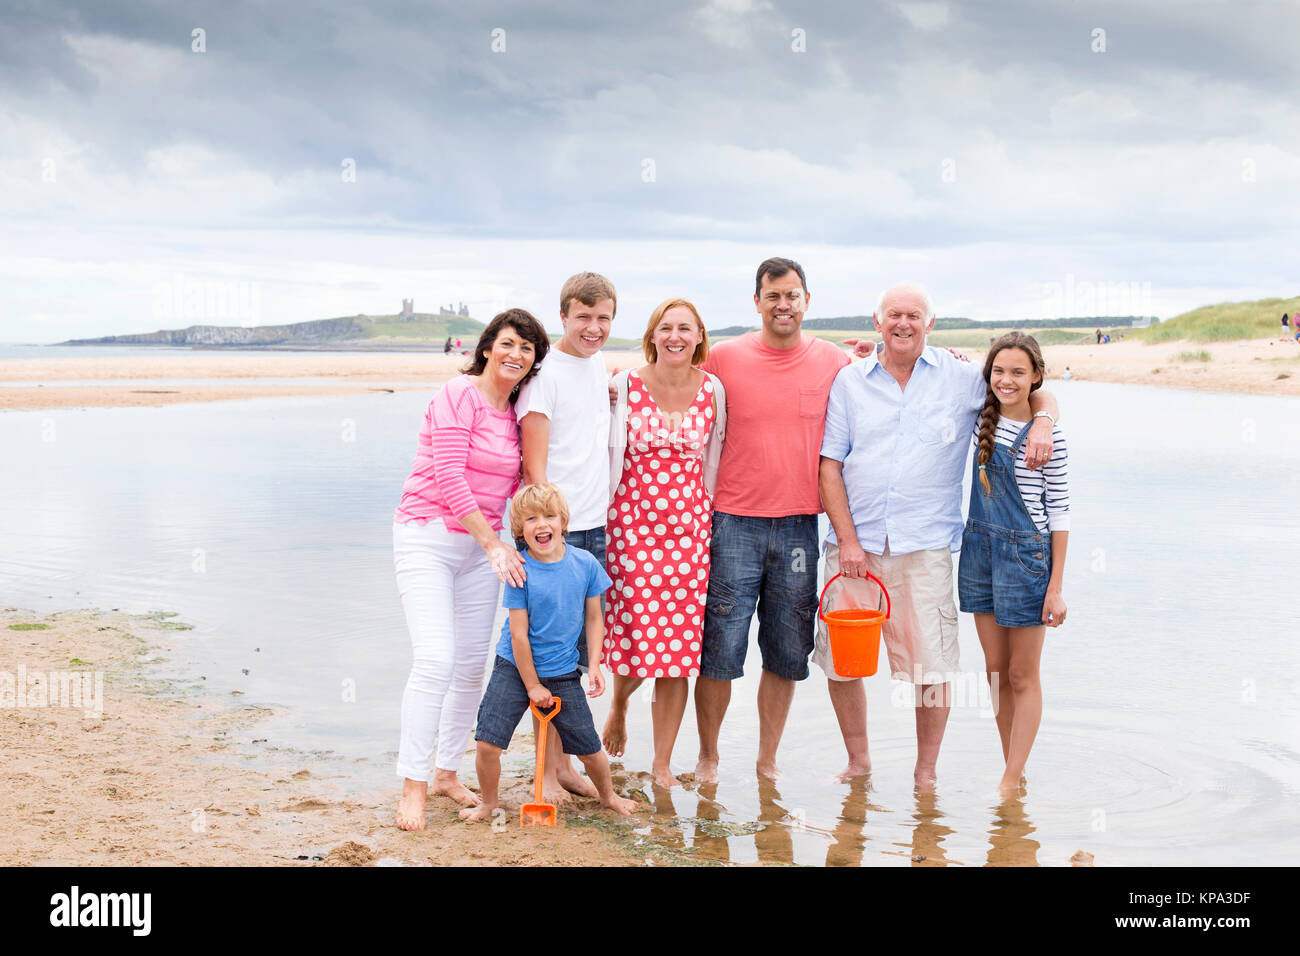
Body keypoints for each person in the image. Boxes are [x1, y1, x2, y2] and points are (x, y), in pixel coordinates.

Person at [817, 282, 1060, 788]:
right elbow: (829, 465)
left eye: (914, 315)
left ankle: (925, 773)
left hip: (925, 548)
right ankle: (859, 761)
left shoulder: (963, 378)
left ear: (931, 323)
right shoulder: (849, 382)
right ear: (877, 322)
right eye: (893, 315)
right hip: (853, 548)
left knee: (931, 668)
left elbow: (1026, 387)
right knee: (842, 664)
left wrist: (1043, 421)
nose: (902, 324)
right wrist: (847, 541)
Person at [691, 257, 851, 782]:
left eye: (793, 295)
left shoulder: (835, 360)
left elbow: (893, 375)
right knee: (721, 647)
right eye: (773, 295)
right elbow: (670, 386)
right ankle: (709, 756)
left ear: (807, 300)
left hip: (802, 526)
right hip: (733, 522)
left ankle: (766, 761)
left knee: (786, 651)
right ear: (756, 301)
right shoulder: (724, 357)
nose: (784, 305)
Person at [392, 308, 550, 831]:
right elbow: (449, 473)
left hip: (483, 552)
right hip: (429, 536)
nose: (515, 355)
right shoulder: (457, 396)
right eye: (508, 343)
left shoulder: (513, 414)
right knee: (435, 660)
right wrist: (492, 544)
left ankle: (446, 772)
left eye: (526, 349)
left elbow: (519, 485)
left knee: (467, 669)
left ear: (533, 362)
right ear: (487, 347)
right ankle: (412, 785)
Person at [599, 297, 727, 788]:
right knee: (635, 639)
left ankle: (661, 765)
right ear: (652, 335)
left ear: (699, 338)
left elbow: (713, 459)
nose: (675, 336)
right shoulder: (622, 385)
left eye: (685, 329)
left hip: (690, 534)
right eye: (666, 328)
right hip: (630, 529)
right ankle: (619, 701)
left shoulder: (713, 388)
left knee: (676, 653)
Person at [458, 483, 637, 821]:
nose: (542, 524)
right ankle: (489, 803)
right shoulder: (519, 569)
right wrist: (532, 687)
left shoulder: (584, 564)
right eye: (531, 519)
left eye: (549, 516)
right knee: (487, 744)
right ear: (519, 530)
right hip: (514, 667)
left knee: (590, 750)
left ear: (562, 522)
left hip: (562, 672)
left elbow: (595, 618)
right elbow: (519, 635)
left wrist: (595, 664)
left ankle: (608, 796)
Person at [516, 272, 617, 801]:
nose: (593, 327)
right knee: (548, 652)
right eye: (584, 317)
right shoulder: (544, 376)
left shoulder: (596, 363)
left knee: (572, 656)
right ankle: (549, 768)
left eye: (603, 318)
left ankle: (563, 762)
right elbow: (535, 472)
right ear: (564, 317)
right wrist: (548, 541)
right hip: (554, 533)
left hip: (594, 524)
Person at [958, 332, 1069, 797]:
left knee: (1024, 674)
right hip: (978, 553)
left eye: (1019, 372)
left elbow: (1060, 513)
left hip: (1028, 558)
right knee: (995, 671)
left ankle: (1007, 781)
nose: (1007, 380)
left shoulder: (1050, 437)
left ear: (1036, 377)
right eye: (999, 370)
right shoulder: (975, 418)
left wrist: (1056, 587)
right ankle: (1014, 772)